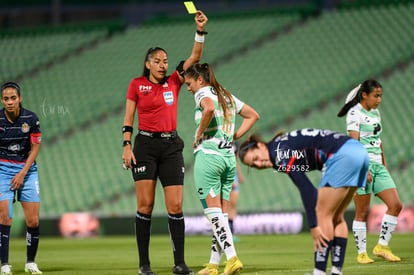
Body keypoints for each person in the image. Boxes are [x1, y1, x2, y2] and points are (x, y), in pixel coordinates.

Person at [121, 10, 208, 275]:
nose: (163, 64)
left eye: (165, 60)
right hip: (145, 147)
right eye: (157, 61)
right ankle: (144, 265)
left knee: (176, 206)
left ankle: (179, 263)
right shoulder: (136, 84)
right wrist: (126, 145)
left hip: (171, 147)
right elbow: (128, 118)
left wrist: (200, 31)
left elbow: (194, 58)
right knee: (145, 206)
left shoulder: (174, 81)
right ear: (147, 64)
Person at [238, 128, 369, 275]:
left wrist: (313, 226)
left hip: (341, 155)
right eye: (254, 165)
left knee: (322, 215)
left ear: (261, 145)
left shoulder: (278, 153)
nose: (259, 164)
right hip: (358, 151)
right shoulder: (280, 146)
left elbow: (307, 188)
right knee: (336, 217)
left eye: (255, 158)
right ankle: (336, 271)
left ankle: (319, 272)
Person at [183, 63, 259, 275]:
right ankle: (213, 264)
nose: (188, 88)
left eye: (189, 83)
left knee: (213, 214)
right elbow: (253, 115)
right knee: (221, 216)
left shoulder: (203, 93)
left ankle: (232, 258)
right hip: (228, 158)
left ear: (200, 80)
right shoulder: (226, 95)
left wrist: (198, 134)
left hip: (209, 156)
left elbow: (207, 108)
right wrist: (235, 136)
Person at [337, 79, 403, 264]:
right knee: (362, 212)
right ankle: (362, 254)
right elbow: (354, 144)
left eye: (380, 96)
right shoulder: (354, 113)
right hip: (360, 166)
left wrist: (384, 165)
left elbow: (378, 141)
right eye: (376, 96)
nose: (379, 100)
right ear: (364, 95)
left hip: (378, 166)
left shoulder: (376, 113)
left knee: (396, 205)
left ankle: (382, 246)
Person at [0, 82, 43, 275]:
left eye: (13, 98)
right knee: (5, 218)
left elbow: (35, 148)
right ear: (2, 100)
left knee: (33, 221)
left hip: (27, 171)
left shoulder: (31, 118)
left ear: (20, 99)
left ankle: (30, 263)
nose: (10, 102)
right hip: (3, 171)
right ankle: (5, 265)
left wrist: (22, 173)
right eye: (6, 98)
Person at [228, 141, 245, 243]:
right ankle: (225, 233)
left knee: (233, 205)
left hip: (234, 176)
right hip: (226, 174)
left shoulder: (235, 144)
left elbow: (235, 160)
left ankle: (231, 232)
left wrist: (239, 175)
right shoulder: (223, 141)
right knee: (225, 205)